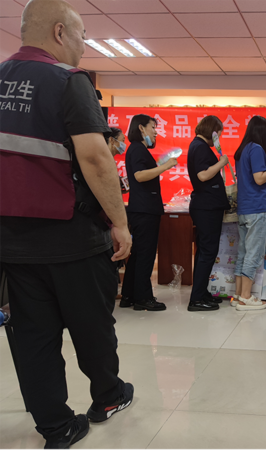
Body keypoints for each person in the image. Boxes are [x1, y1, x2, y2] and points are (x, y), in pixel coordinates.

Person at [0, 1, 134, 447]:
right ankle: (108, 397)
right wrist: (120, 223)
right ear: (60, 32)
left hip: (12, 241)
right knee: (92, 325)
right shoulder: (67, 80)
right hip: (72, 236)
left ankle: (56, 427)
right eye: (82, 36)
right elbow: (95, 158)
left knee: (32, 337)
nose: (83, 46)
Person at [120, 114, 177, 312]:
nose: (155, 132)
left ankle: (129, 295)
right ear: (141, 128)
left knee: (138, 254)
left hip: (143, 208)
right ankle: (143, 298)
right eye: (153, 127)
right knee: (145, 254)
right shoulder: (137, 148)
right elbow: (139, 175)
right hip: (144, 210)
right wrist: (165, 166)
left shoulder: (137, 149)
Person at [232, 115, 266, 311]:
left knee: (243, 253)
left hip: (245, 208)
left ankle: (238, 295)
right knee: (253, 253)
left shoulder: (243, 150)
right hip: (256, 208)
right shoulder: (256, 149)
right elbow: (260, 178)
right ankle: (246, 297)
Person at [187, 115, 230, 312]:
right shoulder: (200, 147)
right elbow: (203, 175)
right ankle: (196, 299)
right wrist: (222, 162)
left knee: (205, 251)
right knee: (207, 252)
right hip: (206, 207)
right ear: (212, 132)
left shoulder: (198, 146)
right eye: (218, 134)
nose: (218, 138)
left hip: (206, 206)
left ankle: (201, 292)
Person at [107, 127, 129, 194]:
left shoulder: (110, 160)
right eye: (122, 141)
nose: (124, 145)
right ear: (112, 140)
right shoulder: (103, 161)